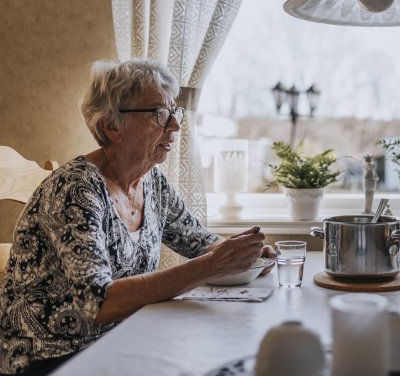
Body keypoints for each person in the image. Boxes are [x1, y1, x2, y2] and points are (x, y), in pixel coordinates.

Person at [0, 60, 275, 375]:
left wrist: (244, 254)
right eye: (159, 113)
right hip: (50, 359)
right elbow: (97, 302)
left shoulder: (151, 183)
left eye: (175, 112)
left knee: (229, 356)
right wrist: (211, 265)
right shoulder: (75, 190)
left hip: (120, 340)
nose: (174, 125)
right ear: (112, 127)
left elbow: (198, 241)